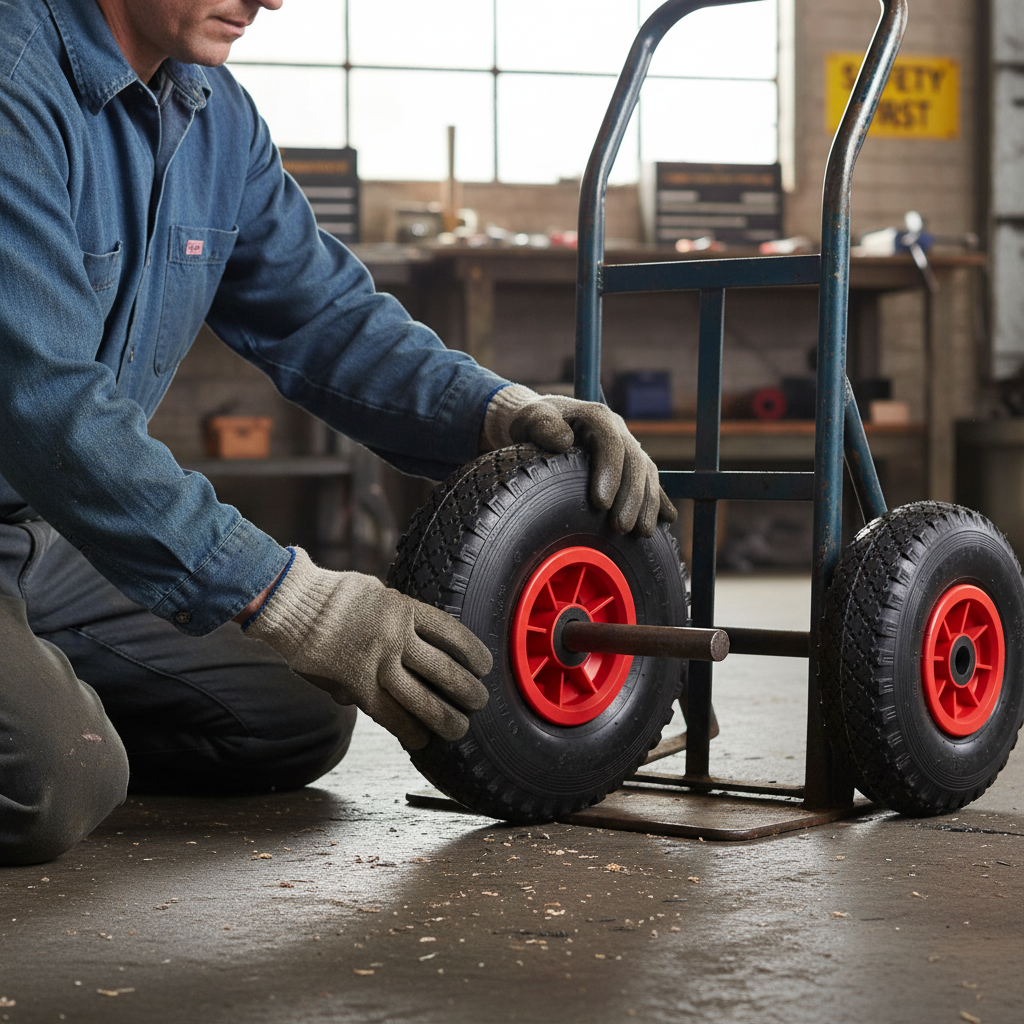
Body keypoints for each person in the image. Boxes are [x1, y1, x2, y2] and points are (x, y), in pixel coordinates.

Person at [0, 0, 675, 867]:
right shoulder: (15, 83)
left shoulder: (212, 115)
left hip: (39, 534)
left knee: (292, 716)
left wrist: (498, 412)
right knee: (49, 783)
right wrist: (291, 596)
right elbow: (47, 403)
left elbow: (323, 317)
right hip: (34, 487)